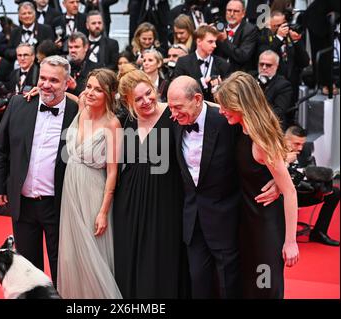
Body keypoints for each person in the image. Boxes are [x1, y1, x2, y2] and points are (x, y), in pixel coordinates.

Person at [168, 75, 280, 298]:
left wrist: (280, 177)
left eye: (178, 107)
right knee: (198, 281)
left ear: (198, 99)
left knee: (228, 285)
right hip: (192, 221)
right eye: (170, 107)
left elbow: (265, 134)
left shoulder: (225, 119)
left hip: (225, 218)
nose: (173, 113)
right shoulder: (174, 119)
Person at [0, 55, 78, 286]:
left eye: (54, 81)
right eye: (43, 78)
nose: (46, 84)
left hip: (59, 204)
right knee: (28, 268)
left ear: (67, 83)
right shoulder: (19, 103)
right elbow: (0, 147)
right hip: (23, 202)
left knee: (63, 267)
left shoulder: (78, 111)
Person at [215, 71, 299, 298]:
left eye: (225, 106)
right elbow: (205, 104)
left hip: (265, 228)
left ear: (240, 104)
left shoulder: (260, 141)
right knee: (248, 287)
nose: (221, 111)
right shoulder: (241, 127)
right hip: (247, 221)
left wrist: (291, 242)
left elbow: (290, 192)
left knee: (264, 287)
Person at [113, 65, 188, 298]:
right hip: (128, 203)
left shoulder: (173, 114)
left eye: (149, 93)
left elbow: (207, 109)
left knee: (160, 260)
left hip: (165, 202)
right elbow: (88, 106)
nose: (146, 101)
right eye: (138, 99)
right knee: (129, 258)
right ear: (127, 102)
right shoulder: (125, 120)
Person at [57, 68, 122, 298]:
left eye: (99, 89)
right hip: (71, 185)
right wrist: (39, 91)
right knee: (71, 251)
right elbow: (67, 95)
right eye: (89, 87)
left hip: (94, 189)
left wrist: (104, 211)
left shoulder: (112, 124)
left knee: (93, 251)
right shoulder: (82, 108)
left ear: (110, 94)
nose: (91, 92)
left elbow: (113, 172)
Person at [284, 125, 340, 246]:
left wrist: (320, 186)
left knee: (335, 193)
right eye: (296, 144)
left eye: (302, 144)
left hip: (303, 192)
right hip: (283, 196)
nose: (300, 147)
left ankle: (319, 232)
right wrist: (285, 162)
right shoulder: (275, 152)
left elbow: (312, 172)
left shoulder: (305, 150)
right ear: (285, 140)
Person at [173, 25, 230, 102]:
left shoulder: (223, 64)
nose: (214, 45)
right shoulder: (183, 62)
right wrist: (203, 82)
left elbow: (228, 93)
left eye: (215, 42)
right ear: (199, 41)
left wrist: (220, 86)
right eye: (210, 42)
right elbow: (179, 88)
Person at [256, 50, 293, 131]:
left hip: (270, 127)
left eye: (268, 65)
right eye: (261, 64)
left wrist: (255, 115)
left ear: (276, 66)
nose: (264, 67)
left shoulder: (283, 85)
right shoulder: (250, 78)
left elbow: (278, 111)